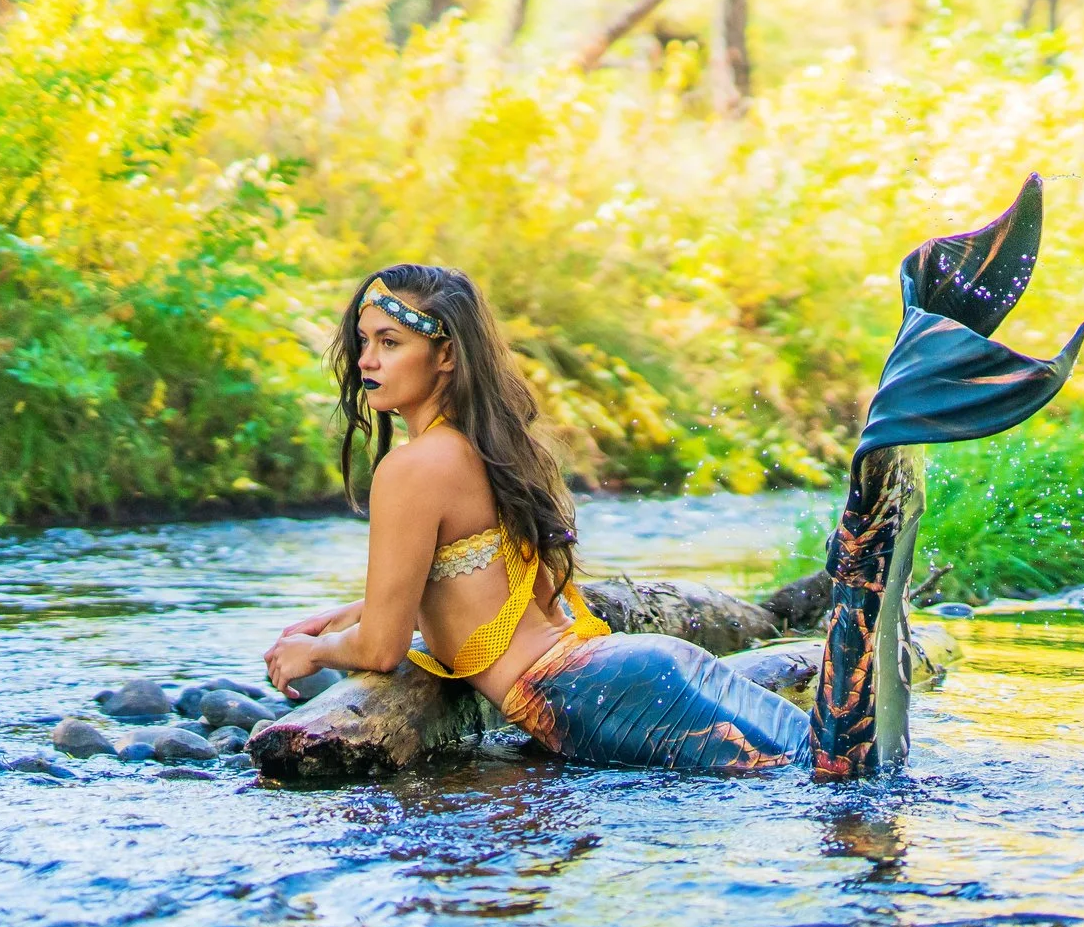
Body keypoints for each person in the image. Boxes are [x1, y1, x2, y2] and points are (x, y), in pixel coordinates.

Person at [261, 264, 814, 774]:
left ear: (446, 355)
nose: (367, 362)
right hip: (630, 670)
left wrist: (311, 652)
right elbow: (464, 588)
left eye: (390, 343)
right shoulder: (488, 447)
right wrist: (346, 617)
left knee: (821, 783)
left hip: (588, 693)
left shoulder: (412, 468)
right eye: (364, 342)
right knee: (835, 757)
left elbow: (381, 649)